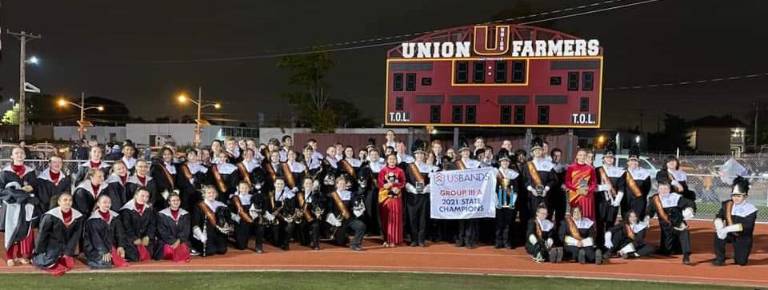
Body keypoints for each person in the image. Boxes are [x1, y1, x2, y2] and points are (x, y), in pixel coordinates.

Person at [32, 193, 83, 276]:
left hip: (66, 244)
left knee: (69, 264)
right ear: (59, 202)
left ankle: (61, 255)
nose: (68, 202)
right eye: (65, 200)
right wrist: (39, 251)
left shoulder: (78, 216)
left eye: (70, 200)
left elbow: (75, 236)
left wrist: (68, 251)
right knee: (49, 262)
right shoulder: (50, 216)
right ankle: (36, 258)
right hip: (52, 244)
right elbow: (42, 234)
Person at [647, 181, 695, 265]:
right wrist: (646, 218)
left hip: (678, 224)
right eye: (661, 188)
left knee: (684, 231)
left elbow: (690, 203)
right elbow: (648, 212)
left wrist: (690, 209)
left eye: (666, 188)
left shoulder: (675, 197)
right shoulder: (654, 199)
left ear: (669, 190)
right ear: (658, 189)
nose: (663, 190)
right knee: (667, 251)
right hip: (666, 228)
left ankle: (686, 256)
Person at [713, 176, 758, 266]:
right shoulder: (728, 204)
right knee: (718, 235)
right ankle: (720, 258)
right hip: (729, 234)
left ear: (745, 196)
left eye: (738, 196)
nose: (735, 198)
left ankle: (738, 254)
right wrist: (719, 225)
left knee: (741, 262)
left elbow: (747, 227)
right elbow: (719, 216)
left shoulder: (751, 209)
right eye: (733, 195)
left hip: (743, 237)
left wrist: (726, 229)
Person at [82, 194, 129, 269]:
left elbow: (120, 233)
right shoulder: (92, 220)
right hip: (95, 247)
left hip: (111, 245)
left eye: (109, 202)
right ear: (98, 204)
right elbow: (95, 239)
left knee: (129, 255)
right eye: (104, 202)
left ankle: (111, 255)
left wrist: (120, 246)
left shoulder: (115, 217)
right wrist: (104, 251)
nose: (107, 204)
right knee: (105, 264)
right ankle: (88, 258)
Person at [405, 147, 437, 247]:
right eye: (418, 154)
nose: (420, 156)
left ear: (424, 156)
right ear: (415, 155)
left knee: (423, 218)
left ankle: (421, 239)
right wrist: (412, 189)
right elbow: (405, 181)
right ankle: (414, 239)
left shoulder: (428, 168)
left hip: (424, 196)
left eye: (422, 154)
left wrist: (427, 188)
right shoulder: (409, 167)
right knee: (412, 218)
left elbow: (433, 182)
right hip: (412, 196)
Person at [594, 150, 625, 248]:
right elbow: (592, 186)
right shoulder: (597, 170)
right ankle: (599, 244)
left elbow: (621, 187)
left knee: (610, 224)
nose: (609, 159)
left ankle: (608, 244)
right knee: (599, 224)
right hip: (600, 201)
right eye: (607, 157)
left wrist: (617, 201)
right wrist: (601, 187)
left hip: (613, 202)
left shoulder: (619, 171)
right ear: (603, 159)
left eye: (611, 158)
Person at [191, 185, 232, 256]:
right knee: (210, 251)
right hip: (205, 233)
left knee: (222, 250)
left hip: (218, 232)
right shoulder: (199, 206)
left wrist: (227, 225)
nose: (211, 194)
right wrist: (201, 236)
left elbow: (228, 218)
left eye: (213, 192)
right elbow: (195, 223)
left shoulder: (221, 204)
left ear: (216, 194)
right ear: (204, 194)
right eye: (209, 193)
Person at [118, 187, 156, 262]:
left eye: (147, 196)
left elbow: (152, 224)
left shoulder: (149, 209)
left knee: (149, 255)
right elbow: (126, 227)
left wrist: (148, 236)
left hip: (144, 238)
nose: (144, 198)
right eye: (142, 195)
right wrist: (134, 238)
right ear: (136, 195)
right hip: (129, 238)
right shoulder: (126, 210)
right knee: (135, 257)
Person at [328, 175, 366, 251]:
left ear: (346, 185)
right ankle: (344, 238)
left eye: (344, 184)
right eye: (340, 183)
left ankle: (355, 244)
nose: (342, 185)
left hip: (349, 219)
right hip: (338, 221)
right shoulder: (331, 195)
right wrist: (334, 220)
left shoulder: (351, 194)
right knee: (340, 242)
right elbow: (329, 210)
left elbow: (355, 206)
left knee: (361, 226)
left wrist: (358, 210)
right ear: (336, 184)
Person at [229, 181, 265, 253]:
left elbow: (260, 208)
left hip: (253, 219)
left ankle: (258, 245)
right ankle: (233, 239)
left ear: (249, 189)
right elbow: (230, 212)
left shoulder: (253, 197)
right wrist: (236, 218)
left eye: (246, 188)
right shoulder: (234, 198)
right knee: (241, 246)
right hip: (241, 221)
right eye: (242, 188)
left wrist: (257, 216)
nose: (244, 190)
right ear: (238, 188)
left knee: (260, 226)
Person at [523, 140, 556, 216]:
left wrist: (546, 189)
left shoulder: (548, 164)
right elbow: (524, 180)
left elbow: (553, 180)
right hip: (532, 196)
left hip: (545, 196)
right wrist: (531, 190)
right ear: (532, 152)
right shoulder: (527, 165)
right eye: (535, 150)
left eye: (539, 150)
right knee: (532, 217)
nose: (537, 152)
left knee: (544, 216)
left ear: (542, 151)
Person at [378, 154, 405, 247]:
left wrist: (397, 187)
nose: (392, 160)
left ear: (396, 160)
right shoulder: (383, 170)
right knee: (385, 218)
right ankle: (386, 239)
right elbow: (380, 182)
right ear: (387, 160)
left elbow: (403, 182)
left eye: (394, 159)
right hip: (385, 197)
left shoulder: (400, 171)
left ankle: (394, 239)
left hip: (396, 198)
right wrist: (385, 186)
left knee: (395, 218)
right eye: (390, 159)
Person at [156, 194, 191, 263]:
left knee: (183, 248)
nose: (176, 202)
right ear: (169, 202)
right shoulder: (161, 214)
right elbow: (162, 231)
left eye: (178, 200)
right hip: (166, 242)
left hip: (181, 241)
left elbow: (186, 230)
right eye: (173, 200)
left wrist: (178, 241)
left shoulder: (185, 214)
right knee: (169, 251)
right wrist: (173, 241)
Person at [495, 152, 519, 249]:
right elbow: (493, 188)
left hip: (510, 201)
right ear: (500, 162)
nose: (505, 163)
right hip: (498, 200)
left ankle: (507, 241)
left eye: (506, 161)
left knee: (509, 222)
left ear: (509, 163)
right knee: (499, 222)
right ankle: (498, 241)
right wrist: (496, 200)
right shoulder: (495, 173)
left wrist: (513, 200)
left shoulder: (513, 174)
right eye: (503, 161)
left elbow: (516, 189)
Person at [565, 148, 597, 220]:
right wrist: (576, 189)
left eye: (584, 155)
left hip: (586, 195)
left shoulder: (591, 169)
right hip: (574, 195)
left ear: (586, 157)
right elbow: (567, 182)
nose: (582, 157)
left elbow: (593, 183)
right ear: (576, 156)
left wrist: (587, 190)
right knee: (574, 216)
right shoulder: (571, 167)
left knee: (586, 216)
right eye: (580, 155)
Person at [622, 149, 651, 220]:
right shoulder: (622, 172)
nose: (633, 162)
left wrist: (640, 198)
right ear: (628, 162)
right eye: (631, 160)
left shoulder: (645, 173)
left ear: (638, 162)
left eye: (635, 161)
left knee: (638, 221)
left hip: (639, 202)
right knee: (626, 222)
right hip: (626, 201)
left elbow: (647, 188)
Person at [269, 178, 298, 250]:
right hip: (272, 217)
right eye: (278, 184)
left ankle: (286, 243)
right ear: (274, 184)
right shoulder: (270, 194)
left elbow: (292, 208)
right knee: (276, 243)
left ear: (284, 185)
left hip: (284, 215)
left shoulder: (288, 194)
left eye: (281, 184)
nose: (279, 185)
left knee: (290, 225)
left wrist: (289, 217)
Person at [300, 177, 325, 250]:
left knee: (316, 225)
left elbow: (321, 206)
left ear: (312, 185)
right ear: (303, 185)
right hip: (302, 218)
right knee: (304, 242)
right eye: (306, 183)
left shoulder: (318, 195)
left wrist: (319, 212)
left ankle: (315, 244)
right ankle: (306, 240)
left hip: (313, 217)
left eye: (310, 183)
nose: (308, 185)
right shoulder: (299, 194)